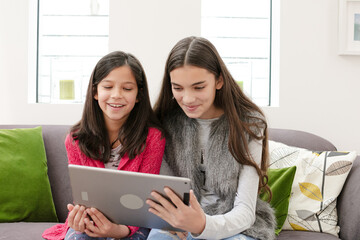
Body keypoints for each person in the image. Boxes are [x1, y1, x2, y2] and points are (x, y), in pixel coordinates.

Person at [146, 36, 276, 240]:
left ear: (219, 81)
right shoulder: (163, 125)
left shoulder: (250, 124)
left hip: (234, 225)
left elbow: (245, 212)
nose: (187, 99)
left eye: (198, 87)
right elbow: (166, 196)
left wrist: (203, 225)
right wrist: (175, 222)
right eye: (178, 88)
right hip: (177, 223)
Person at [42, 51, 165, 240]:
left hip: (133, 224)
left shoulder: (153, 138)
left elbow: (145, 201)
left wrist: (118, 231)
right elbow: (82, 198)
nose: (116, 95)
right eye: (108, 86)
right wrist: (79, 220)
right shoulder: (75, 139)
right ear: (95, 92)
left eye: (127, 88)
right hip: (92, 221)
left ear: (138, 95)